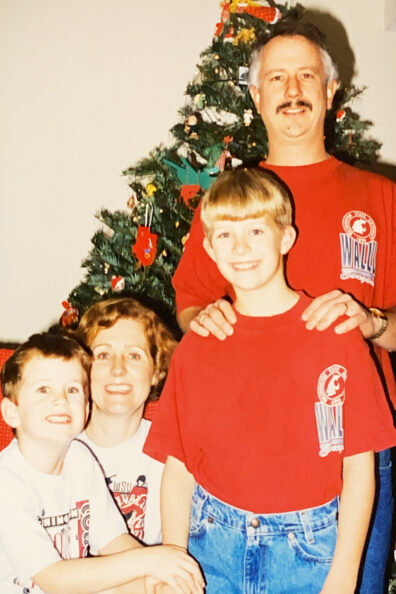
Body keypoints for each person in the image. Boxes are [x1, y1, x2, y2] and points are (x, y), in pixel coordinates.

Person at [172, 19, 396, 593]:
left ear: (330, 90)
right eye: (276, 77)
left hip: (354, 451)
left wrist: (374, 324)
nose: (292, 89)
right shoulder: (229, 204)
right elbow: (191, 306)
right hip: (240, 456)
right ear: (256, 95)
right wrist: (204, 317)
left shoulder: (381, 197)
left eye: (305, 76)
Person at [144, 166, 396, 594]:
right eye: (225, 235)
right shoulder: (199, 344)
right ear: (208, 246)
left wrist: (343, 575)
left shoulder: (336, 337)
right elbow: (179, 467)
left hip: (311, 554)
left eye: (256, 232)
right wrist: (173, 558)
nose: (240, 248)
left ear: (285, 238)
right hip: (212, 550)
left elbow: (359, 469)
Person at [0, 332, 204, 594]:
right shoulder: (8, 481)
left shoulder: (79, 457)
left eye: (72, 389)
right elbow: (54, 579)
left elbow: (112, 539)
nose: (60, 399)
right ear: (11, 413)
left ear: (86, 409)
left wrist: (154, 581)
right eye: (43, 389)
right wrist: (151, 560)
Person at [77, 296, 176, 545]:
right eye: (102, 355)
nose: (118, 369)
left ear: (157, 371)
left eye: (133, 355)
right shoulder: (57, 449)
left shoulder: (174, 456)